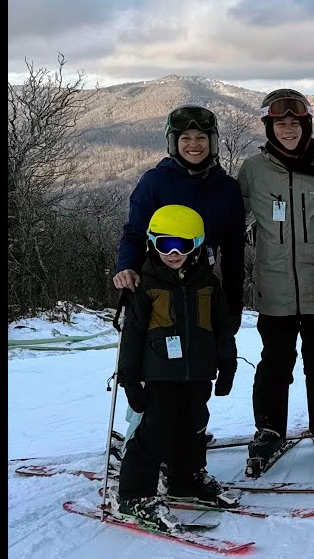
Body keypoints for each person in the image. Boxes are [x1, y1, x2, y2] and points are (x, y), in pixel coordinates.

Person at [112, 105, 246, 442]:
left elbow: (234, 249)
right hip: (157, 285)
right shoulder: (155, 181)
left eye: (201, 137)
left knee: (195, 364)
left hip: (202, 286)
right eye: (185, 137)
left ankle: (184, 435)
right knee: (154, 365)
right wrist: (126, 265)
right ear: (174, 143)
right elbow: (134, 232)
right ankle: (139, 440)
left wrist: (233, 302)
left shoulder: (226, 187)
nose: (194, 144)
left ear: (212, 141)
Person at [238, 89, 314, 476]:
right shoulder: (252, 171)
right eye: (280, 124)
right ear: (270, 127)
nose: (288, 129)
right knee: (275, 363)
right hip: (274, 288)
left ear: (306, 125)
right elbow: (226, 219)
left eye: (295, 123)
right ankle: (269, 430)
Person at [115, 205, 239, 529]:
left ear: (196, 245)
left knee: (195, 427)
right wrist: (129, 380)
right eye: (165, 243)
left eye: (182, 245)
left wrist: (228, 367)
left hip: (198, 374)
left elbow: (223, 329)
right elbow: (132, 337)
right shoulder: (146, 285)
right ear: (152, 243)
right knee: (154, 433)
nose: (173, 252)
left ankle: (185, 479)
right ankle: (135, 495)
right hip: (159, 376)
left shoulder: (208, 284)